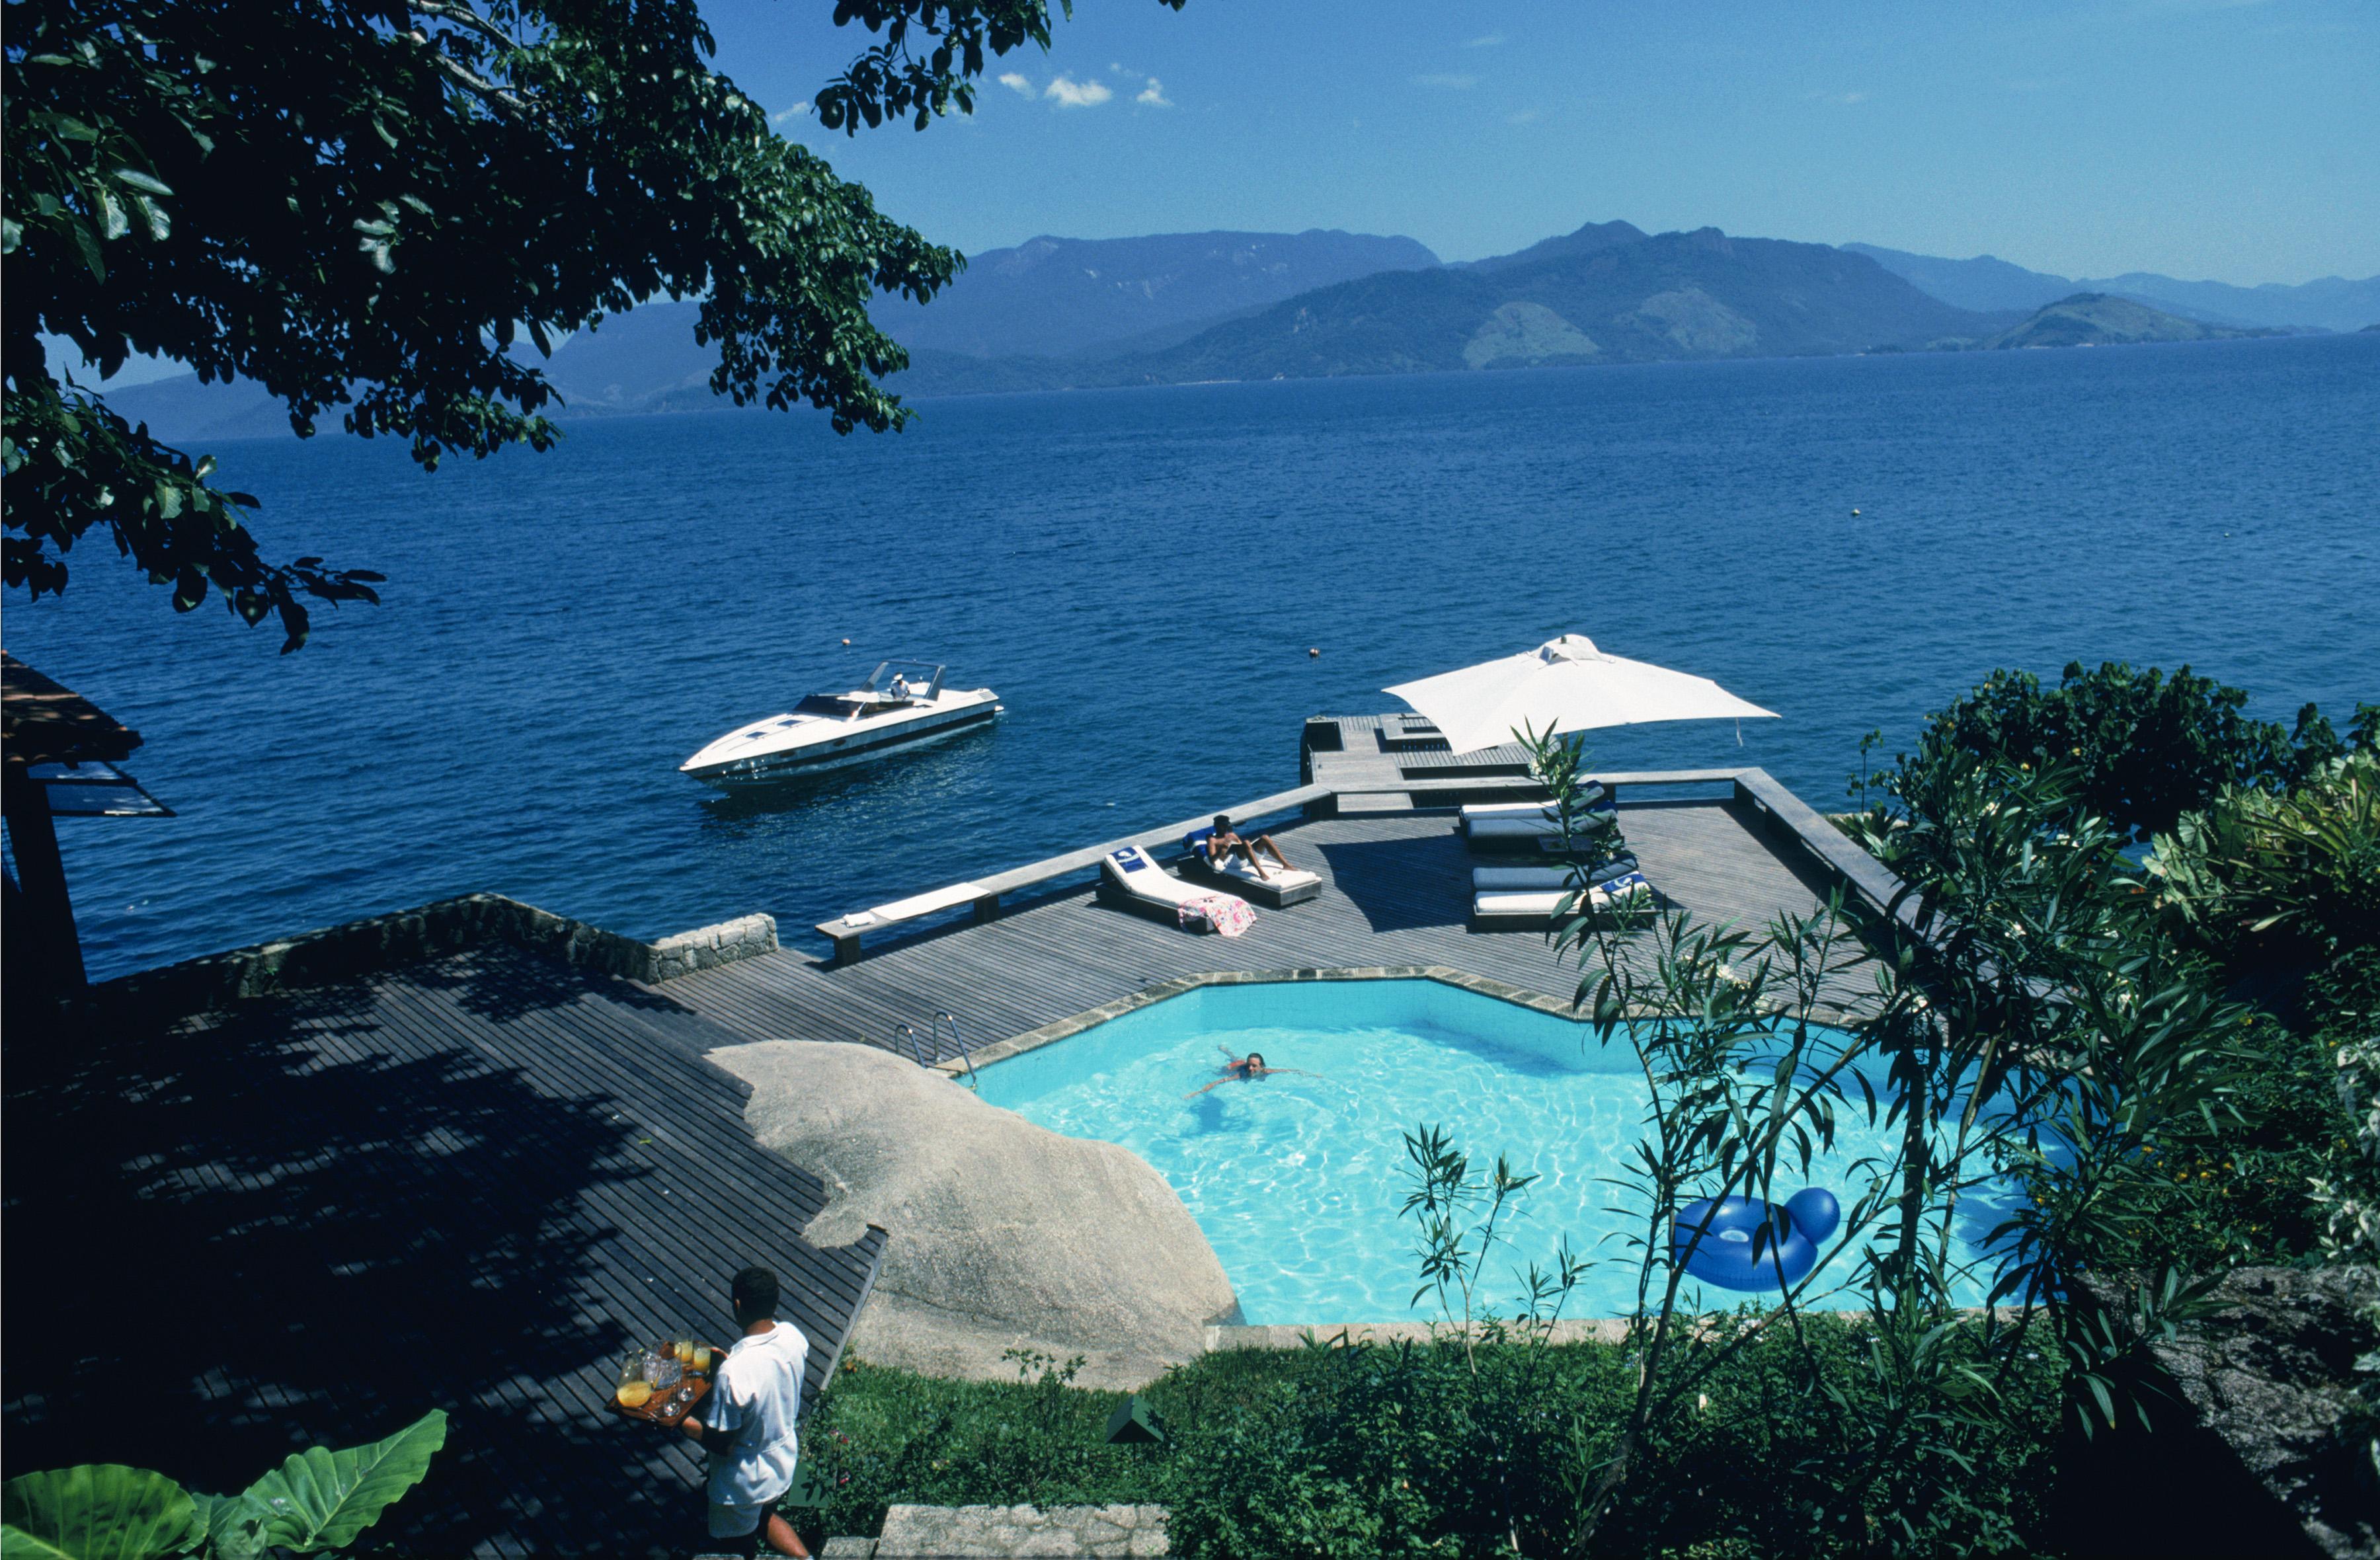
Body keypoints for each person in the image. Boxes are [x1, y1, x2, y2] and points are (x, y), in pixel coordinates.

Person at [678, 1265, 811, 1559]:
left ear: (737, 1305)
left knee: (735, 1545)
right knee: (764, 1516)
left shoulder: (734, 1372)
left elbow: (723, 1444)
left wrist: (679, 1421)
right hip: (781, 1461)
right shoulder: (793, 1336)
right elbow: (768, 1375)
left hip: (745, 1481)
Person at [1185, 1045, 1314, 1098]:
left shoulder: (1266, 1072)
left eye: (1254, 1066)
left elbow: (1290, 1071)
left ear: (1262, 1067)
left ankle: (1228, 1051)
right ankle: (1226, 1052)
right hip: (1235, 1068)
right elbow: (1220, 1081)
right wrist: (1198, 1092)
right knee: (1222, 1070)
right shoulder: (1242, 1073)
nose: (1250, 1069)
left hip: (1242, 1064)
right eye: (1250, 1065)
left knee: (1238, 1059)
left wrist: (1310, 1075)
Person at [1207, 814, 1293, 881]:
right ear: (1217, 826)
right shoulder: (1213, 840)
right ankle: (1261, 872)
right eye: (1223, 826)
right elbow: (1212, 860)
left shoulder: (1232, 835)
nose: (1225, 828)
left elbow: (1242, 847)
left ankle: (1286, 865)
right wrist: (1221, 850)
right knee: (1247, 842)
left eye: (1226, 826)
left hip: (1246, 860)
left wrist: (1246, 848)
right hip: (1232, 863)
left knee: (1265, 838)